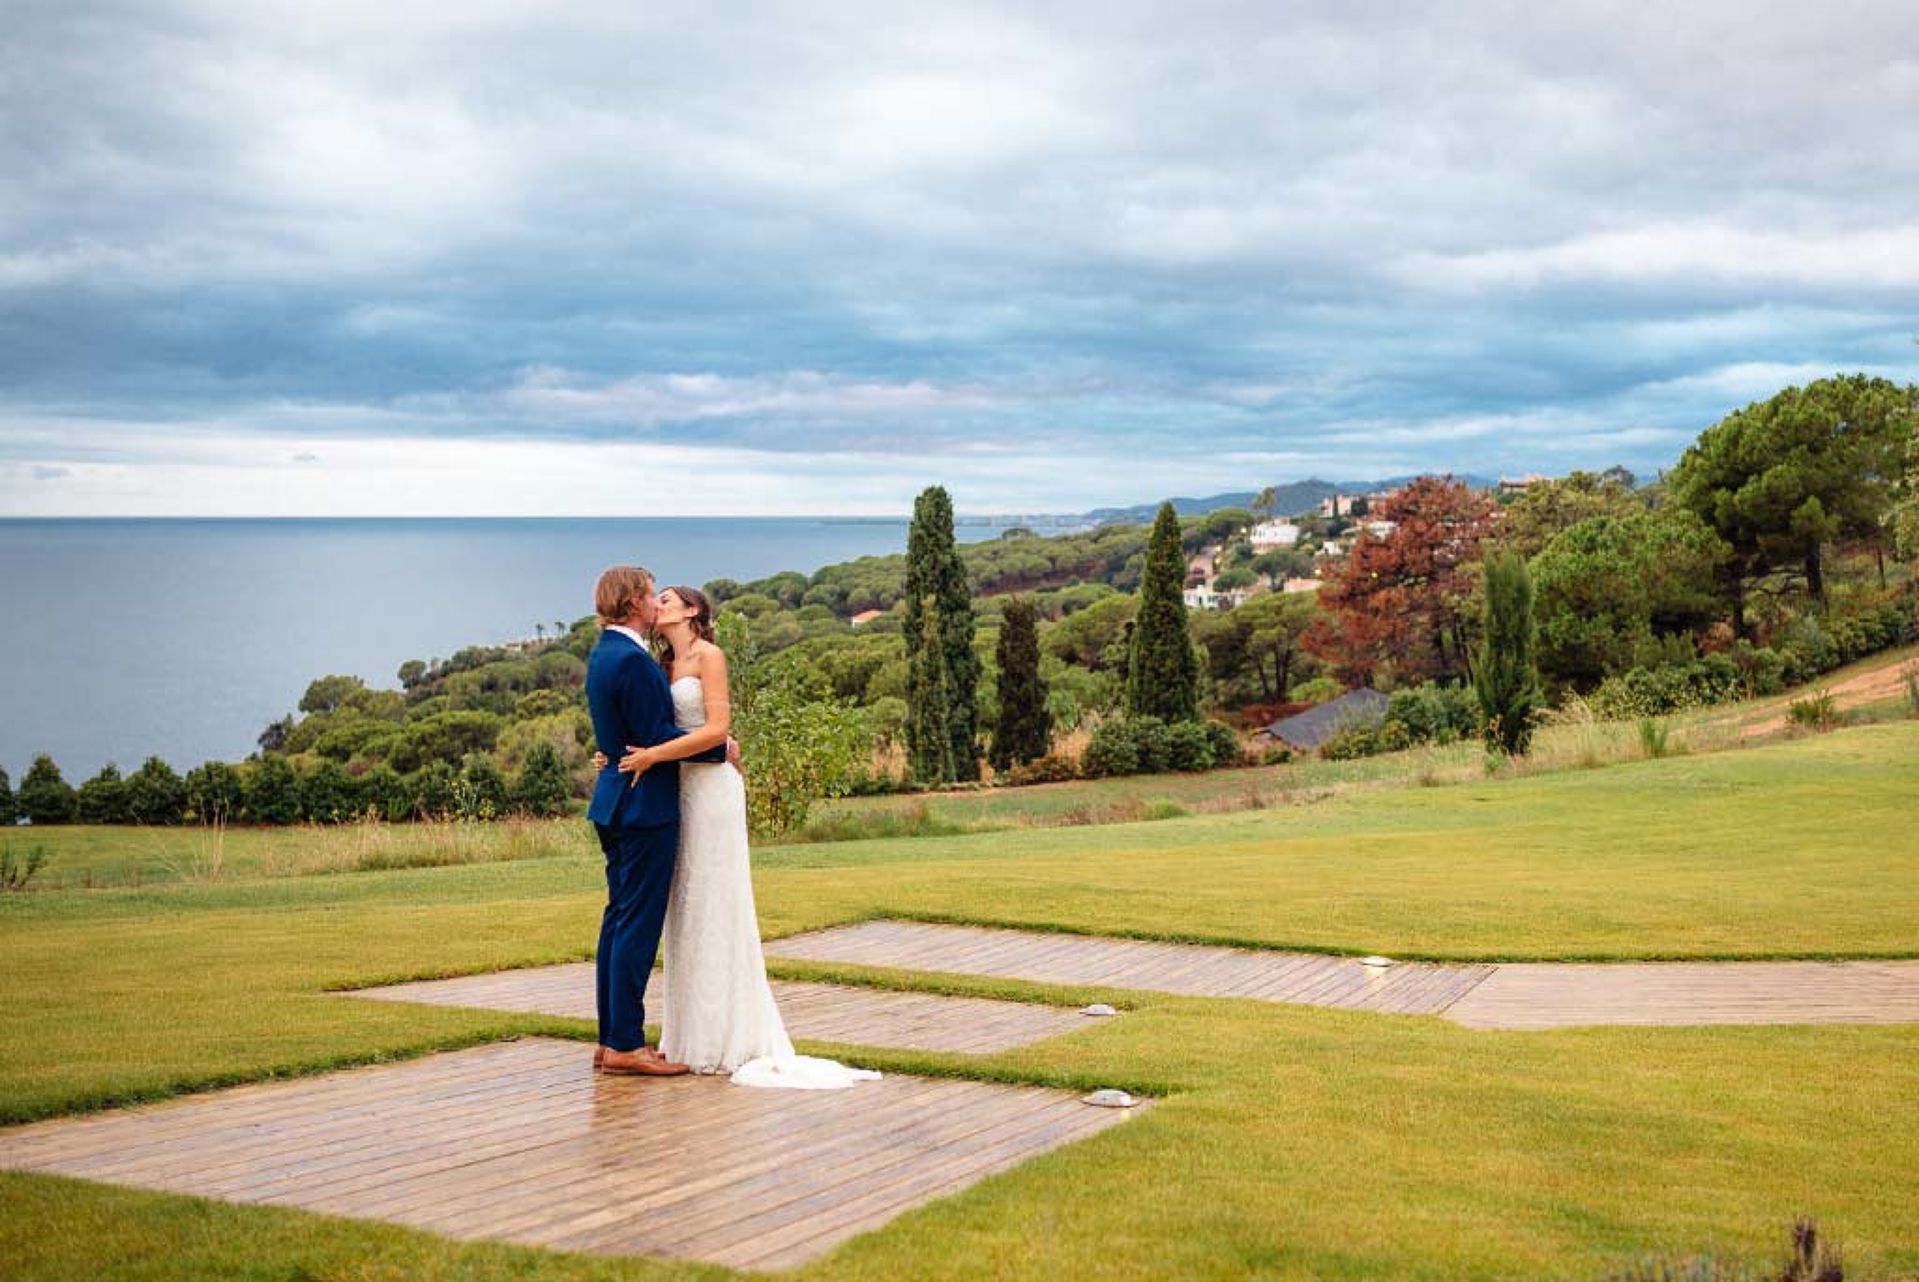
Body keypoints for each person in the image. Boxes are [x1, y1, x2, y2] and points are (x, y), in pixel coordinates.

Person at [609, 585, 879, 1090]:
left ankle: (727, 1032)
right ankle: (688, 1034)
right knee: (685, 907)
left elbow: (717, 729)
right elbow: (652, 728)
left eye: (668, 598)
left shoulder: (711, 656)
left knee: (717, 900)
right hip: (676, 792)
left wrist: (652, 757)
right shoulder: (660, 665)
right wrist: (621, 751)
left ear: (692, 610)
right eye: (656, 598)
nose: (659, 603)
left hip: (711, 792)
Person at [582, 566, 730, 1077]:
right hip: (645, 809)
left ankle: (609, 1038)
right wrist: (721, 751)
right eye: (650, 595)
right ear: (633, 604)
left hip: (612, 802)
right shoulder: (638, 663)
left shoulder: (603, 655)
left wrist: (610, 754)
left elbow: (619, 734)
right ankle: (625, 1042)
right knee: (638, 927)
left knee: (617, 921)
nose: (655, 602)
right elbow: (656, 738)